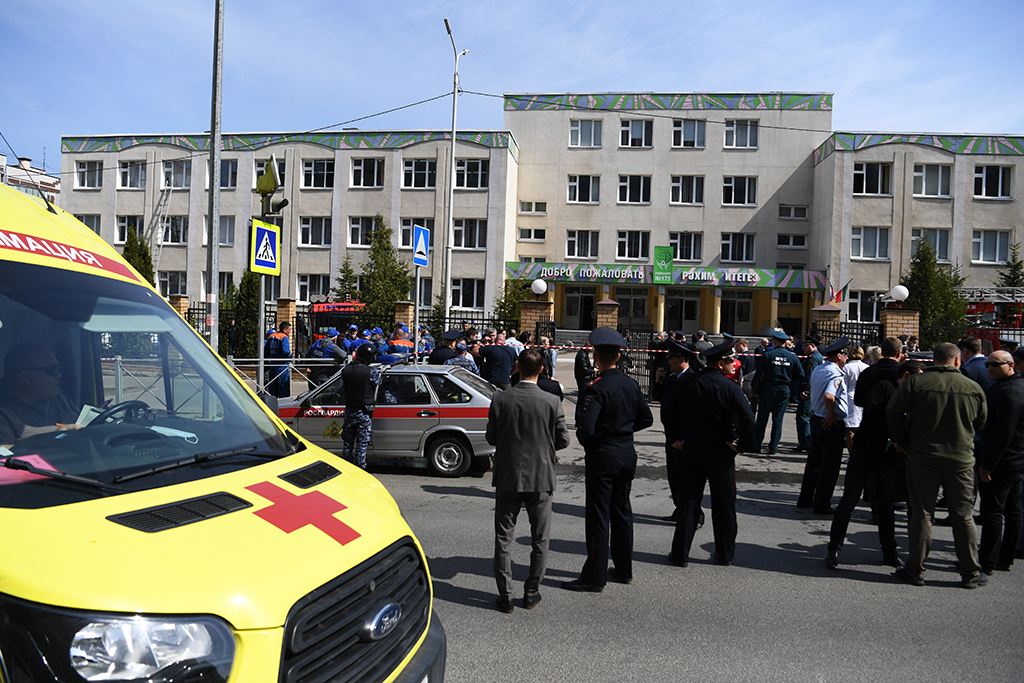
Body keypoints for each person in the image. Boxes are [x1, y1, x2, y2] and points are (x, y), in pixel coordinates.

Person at [887, 342, 988, 589]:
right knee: (963, 516)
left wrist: (902, 441)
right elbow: (982, 423)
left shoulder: (915, 383)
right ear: (957, 360)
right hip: (961, 460)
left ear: (934, 359)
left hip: (923, 457)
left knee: (922, 514)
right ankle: (970, 572)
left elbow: (893, 411)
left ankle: (915, 569)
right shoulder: (972, 387)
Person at [562, 328, 653, 592]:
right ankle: (624, 569)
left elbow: (585, 430)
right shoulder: (630, 384)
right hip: (626, 453)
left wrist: (601, 440)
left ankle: (594, 576)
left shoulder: (597, 388)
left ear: (596, 357)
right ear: (618, 357)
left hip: (604, 455)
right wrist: (622, 431)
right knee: (622, 512)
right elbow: (646, 419)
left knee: (598, 516)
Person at [486, 349, 571, 613]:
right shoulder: (551, 401)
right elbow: (564, 439)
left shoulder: (500, 398)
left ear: (517, 367)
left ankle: (505, 596)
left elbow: (491, 437)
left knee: (503, 538)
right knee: (540, 539)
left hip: (508, 475)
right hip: (541, 476)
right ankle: (531, 593)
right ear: (542, 369)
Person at [825, 360, 924, 570]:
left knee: (885, 505)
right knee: (848, 501)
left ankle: (889, 552)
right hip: (865, 451)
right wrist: (895, 437)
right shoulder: (884, 388)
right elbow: (871, 415)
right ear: (907, 376)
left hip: (888, 458)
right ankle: (834, 549)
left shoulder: (913, 395)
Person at [668, 340, 756, 567]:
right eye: (730, 361)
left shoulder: (687, 383)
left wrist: (676, 439)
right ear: (720, 364)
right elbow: (748, 420)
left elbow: (669, 411)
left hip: (692, 449)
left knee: (689, 503)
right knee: (724, 504)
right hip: (721, 451)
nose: (734, 364)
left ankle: (680, 554)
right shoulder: (731, 387)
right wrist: (741, 446)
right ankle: (725, 554)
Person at [977, 350, 1024, 576]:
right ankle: (1005, 558)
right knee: (1013, 509)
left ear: (1011, 365)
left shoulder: (1008, 391)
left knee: (993, 512)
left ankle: (988, 562)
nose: (990, 368)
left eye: (996, 364)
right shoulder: (1013, 387)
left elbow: (1003, 432)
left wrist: (987, 465)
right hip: (1016, 459)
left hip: (1003, 462)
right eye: (988, 364)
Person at [796, 337, 849, 513]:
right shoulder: (836, 374)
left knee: (814, 461)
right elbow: (829, 396)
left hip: (817, 418)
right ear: (839, 355)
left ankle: (805, 498)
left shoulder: (819, 369)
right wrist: (831, 413)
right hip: (830, 422)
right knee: (830, 465)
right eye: (845, 355)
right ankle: (822, 503)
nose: (846, 358)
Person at [0, 344, 81, 446]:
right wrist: (53, 439)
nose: (59, 375)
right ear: (25, 377)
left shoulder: (58, 396)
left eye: (58, 368)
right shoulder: (4, 413)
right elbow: (3, 451)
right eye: (52, 370)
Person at [659, 340, 697, 521]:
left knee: (686, 479)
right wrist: (658, 382)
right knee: (674, 477)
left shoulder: (691, 380)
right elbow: (664, 401)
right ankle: (680, 510)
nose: (668, 362)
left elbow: (691, 413)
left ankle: (695, 515)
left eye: (671, 358)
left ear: (682, 359)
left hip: (683, 440)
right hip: (671, 436)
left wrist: (683, 438)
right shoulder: (673, 378)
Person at [751, 330, 804, 455]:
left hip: (768, 389)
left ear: (774, 342)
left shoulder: (768, 355)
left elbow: (758, 374)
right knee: (778, 419)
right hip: (784, 389)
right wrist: (791, 382)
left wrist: (755, 390)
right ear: (785, 343)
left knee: (762, 418)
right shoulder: (792, 357)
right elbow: (801, 375)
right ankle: (773, 447)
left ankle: (756, 445)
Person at [340, 343, 381, 469]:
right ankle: (360, 467)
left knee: (348, 442)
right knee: (362, 443)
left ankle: (347, 466)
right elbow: (377, 384)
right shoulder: (371, 372)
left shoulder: (346, 370)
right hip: (364, 412)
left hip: (350, 410)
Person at [794, 335, 823, 453]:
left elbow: (809, 376)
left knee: (804, 416)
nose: (803, 348)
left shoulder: (813, 358)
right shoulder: (816, 357)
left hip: (808, 393)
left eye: (806, 346)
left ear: (813, 346)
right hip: (813, 392)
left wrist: (806, 391)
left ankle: (806, 443)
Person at [842, 346, 870, 451]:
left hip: (850, 399)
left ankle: (852, 452)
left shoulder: (846, 368)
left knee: (850, 429)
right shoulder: (866, 367)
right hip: (864, 398)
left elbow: (844, 386)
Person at [265, 322, 292, 398]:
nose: (290, 332)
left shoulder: (272, 336)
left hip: (273, 365)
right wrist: (291, 355)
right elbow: (286, 352)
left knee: (273, 389)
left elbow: (266, 351)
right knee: (284, 388)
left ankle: (272, 403)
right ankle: (284, 405)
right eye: (289, 330)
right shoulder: (284, 337)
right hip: (282, 365)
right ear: (284, 330)